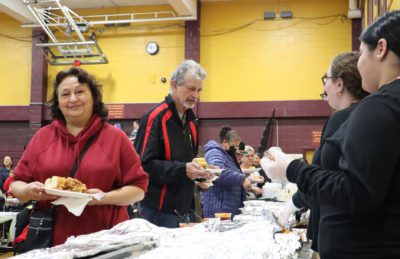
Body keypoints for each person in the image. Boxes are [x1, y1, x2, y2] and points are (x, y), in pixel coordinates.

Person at [262, 10, 400, 259]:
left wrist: (293, 169)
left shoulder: (380, 107)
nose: (359, 63)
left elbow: (356, 192)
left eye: (361, 53)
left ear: (381, 48)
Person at [10, 67, 148, 246]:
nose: (73, 99)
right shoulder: (42, 137)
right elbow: (16, 183)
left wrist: (102, 198)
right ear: (58, 101)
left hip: (106, 239)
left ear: (93, 96)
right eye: (65, 94)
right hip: (52, 241)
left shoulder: (116, 138)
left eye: (80, 92)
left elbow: (138, 190)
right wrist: (27, 191)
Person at [278, 51, 369, 254]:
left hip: (342, 238)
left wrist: (294, 192)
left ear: (340, 84)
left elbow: (321, 178)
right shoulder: (368, 114)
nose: (324, 86)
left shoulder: (342, 118)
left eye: (326, 79)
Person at [134, 59, 210, 228]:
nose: (196, 95)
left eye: (199, 90)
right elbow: (142, 167)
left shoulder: (192, 122)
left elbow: (185, 164)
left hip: (186, 210)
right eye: (191, 89)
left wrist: (198, 175)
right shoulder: (154, 118)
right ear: (175, 85)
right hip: (158, 212)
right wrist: (183, 169)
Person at [200, 126, 253, 217]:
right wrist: (242, 179)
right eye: (234, 147)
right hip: (219, 207)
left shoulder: (228, 155)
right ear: (225, 142)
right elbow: (218, 172)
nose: (236, 150)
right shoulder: (215, 153)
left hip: (227, 206)